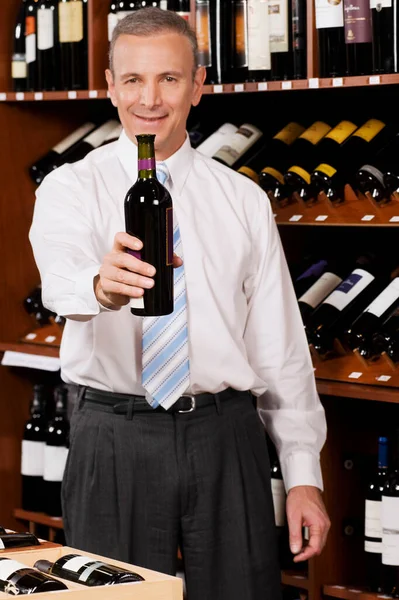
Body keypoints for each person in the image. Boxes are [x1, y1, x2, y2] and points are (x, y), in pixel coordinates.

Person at [29, 7, 330, 600]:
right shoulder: (70, 187)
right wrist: (102, 285)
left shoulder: (243, 200)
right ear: (110, 86)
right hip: (114, 437)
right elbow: (62, 277)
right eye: (134, 80)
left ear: (197, 85)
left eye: (169, 78)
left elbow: (279, 347)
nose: (150, 98)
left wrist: (302, 475)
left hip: (227, 436)